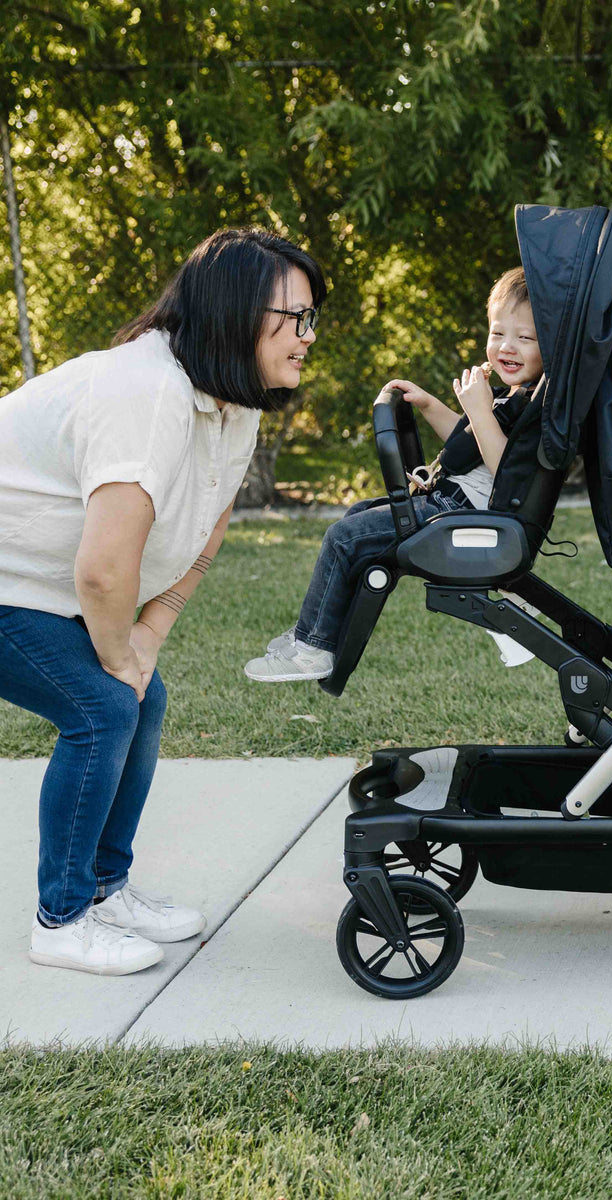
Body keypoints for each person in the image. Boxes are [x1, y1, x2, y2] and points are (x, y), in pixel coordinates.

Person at [0, 227, 327, 975]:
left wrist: (150, 636)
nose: (309, 337)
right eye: (295, 317)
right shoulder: (144, 392)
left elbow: (205, 535)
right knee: (104, 705)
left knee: (139, 697)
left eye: (313, 319)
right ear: (235, 311)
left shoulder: (234, 401)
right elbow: (104, 572)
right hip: (12, 581)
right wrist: (119, 653)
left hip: (35, 586)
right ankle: (62, 918)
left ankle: (105, 889)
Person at [244, 267, 543, 682]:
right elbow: (473, 444)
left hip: (467, 517)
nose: (507, 347)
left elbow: (508, 474)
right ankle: (318, 634)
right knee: (356, 517)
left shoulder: (535, 405)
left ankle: (312, 649)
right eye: (498, 334)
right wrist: (429, 405)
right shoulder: (513, 396)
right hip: (456, 506)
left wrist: (478, 407)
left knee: (343, 538)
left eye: (525, 338)